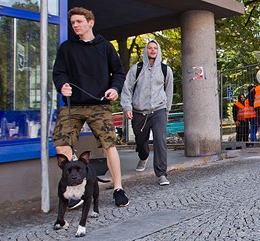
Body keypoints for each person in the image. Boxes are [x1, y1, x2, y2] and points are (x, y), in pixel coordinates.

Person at [52, 7, 128, 207]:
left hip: (99, 105)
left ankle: (118, 188)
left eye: (79, 21)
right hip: (73, 105)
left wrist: (115, 89)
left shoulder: (105, 47)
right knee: (61, 143)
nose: (75, 25)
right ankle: (75, 191)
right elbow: (59, 73)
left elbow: (119, 73)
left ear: (90, 22)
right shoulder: (67, 48)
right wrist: (62, 85)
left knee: (108, 144)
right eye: (73, 23)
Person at [120, 39, 174, 186]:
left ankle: (161, 173)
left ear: (158, 51)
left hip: (158, 110)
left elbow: (169, 92)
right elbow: (126, 89)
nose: (152, 51)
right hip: (139, 112)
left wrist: (166, 112)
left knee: (160, 140)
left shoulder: (165, 70)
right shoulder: (136, 69)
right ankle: (143, 156)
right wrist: (127, 107)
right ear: (146, 50)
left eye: (155, 48)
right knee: (141, 141)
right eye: (149, 48)